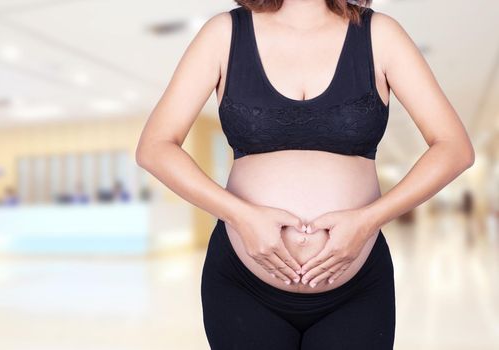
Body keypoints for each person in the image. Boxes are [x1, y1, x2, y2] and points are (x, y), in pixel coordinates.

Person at [136, 0, 475, 349]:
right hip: (241, 285)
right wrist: (240, 215)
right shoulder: (223, 34)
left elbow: (454, 148)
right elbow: (155, 147)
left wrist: (368, 220)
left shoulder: (380, 34)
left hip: (356, 292)